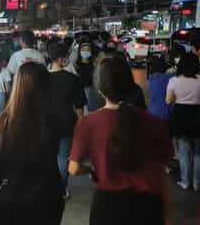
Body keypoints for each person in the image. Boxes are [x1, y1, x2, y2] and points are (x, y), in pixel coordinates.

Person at [69, 55, 173, 225]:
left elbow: (73, 169)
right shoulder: (154, 122)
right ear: (129, 84)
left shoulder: (88, 123)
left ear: (99, 88)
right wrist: (167, 213)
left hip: (107, 206)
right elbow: (162, 169)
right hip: (148, 206)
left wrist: (91, 171)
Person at [0, 62, 65, 224]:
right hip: (48, 199)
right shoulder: (53, 121)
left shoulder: (2, 123)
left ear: (17, 87)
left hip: (11, 202)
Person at [47, 42, 87, 200]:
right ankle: (61, 189)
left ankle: (47, 187)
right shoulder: (73, 79)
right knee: (63, 156)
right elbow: (79, 106)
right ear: (62, 58)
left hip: (46, 123)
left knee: (49, 155)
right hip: (66, 122)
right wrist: (81, 122)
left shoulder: (42, 79)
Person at [166, 53, 200, 191]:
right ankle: (197, 183)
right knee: (199, 152)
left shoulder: (174, 81)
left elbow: (168, 101)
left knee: (184, 151)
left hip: (181, 116)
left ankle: (185, 182)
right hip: (198, 116)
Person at [74, 43, 101, 112]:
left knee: (92, 110)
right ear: (79, 51)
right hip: (79, 91)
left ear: (91, 52)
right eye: (83, 50)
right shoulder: (75, 65)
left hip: (92, 90)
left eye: (87, 50)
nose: (85, 52)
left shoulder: (94, 63)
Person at [148, 56, 174, 122]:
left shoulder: (151, 78)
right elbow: (179, 73)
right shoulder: (165, 78)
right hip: (163, 112)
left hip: (152, 110)